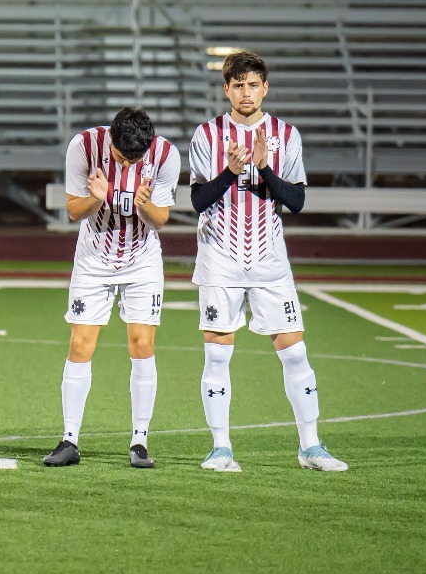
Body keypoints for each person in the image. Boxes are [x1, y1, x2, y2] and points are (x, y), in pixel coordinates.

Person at [189, 52, 345, 472]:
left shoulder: (285, 134)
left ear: (265, 87)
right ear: (226, 89)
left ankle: (311, 446)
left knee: (295, 354)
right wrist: (229, 172)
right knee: (217, 356)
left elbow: (296, 201)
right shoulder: (207, 135)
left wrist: (263, 169)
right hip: (220, 257)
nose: (245, 93)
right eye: (237, 85)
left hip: (270, 261)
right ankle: (221, 449)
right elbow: (198, 201)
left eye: (253, 84)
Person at [46, 107, 180, 468]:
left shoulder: (165, 155)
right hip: (93, 260)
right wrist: (98, 196)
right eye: (122, 156)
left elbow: (161, 220)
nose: (126, 163)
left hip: (142, 260)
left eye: (134, 158)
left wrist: (145, 205)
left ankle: (139, 441)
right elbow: (74, 211)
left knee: (142, 344)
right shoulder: (85, 146)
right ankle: (69, 439)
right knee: (80, 344)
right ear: (111, 140)